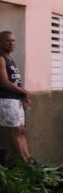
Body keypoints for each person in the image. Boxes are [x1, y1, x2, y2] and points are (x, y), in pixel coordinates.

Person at [0, 31, 30, 163]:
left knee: (22, 131)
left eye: (13, 40)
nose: (11, 43)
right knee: (16, 131)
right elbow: (4, 82)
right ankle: (24, 162)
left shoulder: (11, 58)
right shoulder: (1, 58)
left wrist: (23, 96)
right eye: (8, 41)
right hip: (7, 99)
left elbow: (16, 80)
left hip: (16, 99)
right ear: (0, 42)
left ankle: (30, 160)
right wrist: (24, 92)